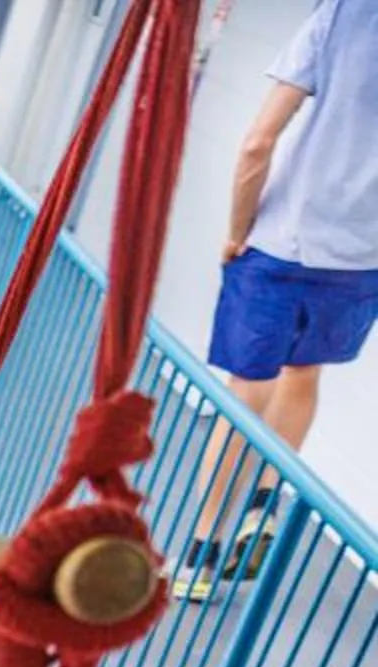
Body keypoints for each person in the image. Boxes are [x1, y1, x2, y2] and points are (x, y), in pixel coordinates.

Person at [187, 0, 376, 597]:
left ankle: (201, 550)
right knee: (304, 373)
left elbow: (256, 144)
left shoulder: (343, 14)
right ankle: (265, 498)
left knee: (247, 391)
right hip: (363, 254)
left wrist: (237, 232)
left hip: (281, 242)